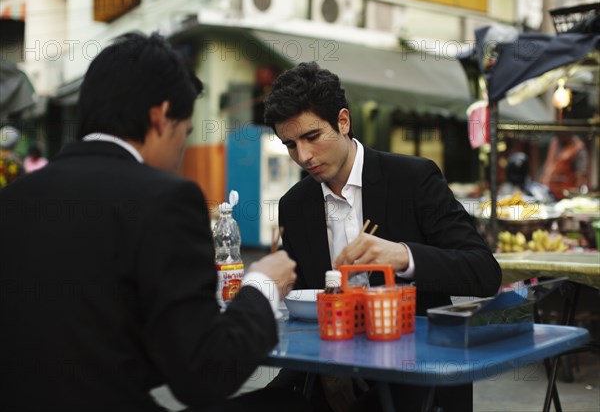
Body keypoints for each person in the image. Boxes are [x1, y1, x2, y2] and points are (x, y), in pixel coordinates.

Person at [0, 32, 307, 412]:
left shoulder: (14, 199)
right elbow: (204, 373)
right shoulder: (164, 199)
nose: (180, 153)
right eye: (185, 133)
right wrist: (263, 284)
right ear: (160, 116)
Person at [263, 62, 502, 412]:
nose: (304, 157)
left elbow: (484, 272)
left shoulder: (413, 180)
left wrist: (404, 257)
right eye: (290, 145)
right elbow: (304, 304)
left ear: (343, 121)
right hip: (329, 364)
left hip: (415, 366)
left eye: (312, 137)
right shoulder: (295, 206)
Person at [539, 133, 589, 200]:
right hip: (550, 192)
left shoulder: (578, 148)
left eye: (561, 133)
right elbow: (549, 165)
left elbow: (581, 174)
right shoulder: (555, 143)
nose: (559, 137)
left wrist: (576, 195)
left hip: (567, 195)